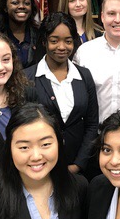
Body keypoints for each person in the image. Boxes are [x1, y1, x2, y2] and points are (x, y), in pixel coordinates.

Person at [25, 12, 99, 175]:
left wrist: (78, 165)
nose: (61, 47)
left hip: (80, 170)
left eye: (68, 41)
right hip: (40, 168)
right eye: (54, 40)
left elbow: (92, 124)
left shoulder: (84, 75)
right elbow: (23, 129)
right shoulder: (28, 78)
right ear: (44, 41)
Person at [0, 0, 39, 68]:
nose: (22, 6)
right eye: (15, 3)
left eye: (27, 3)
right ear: (5, 8)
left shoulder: (39, 34)